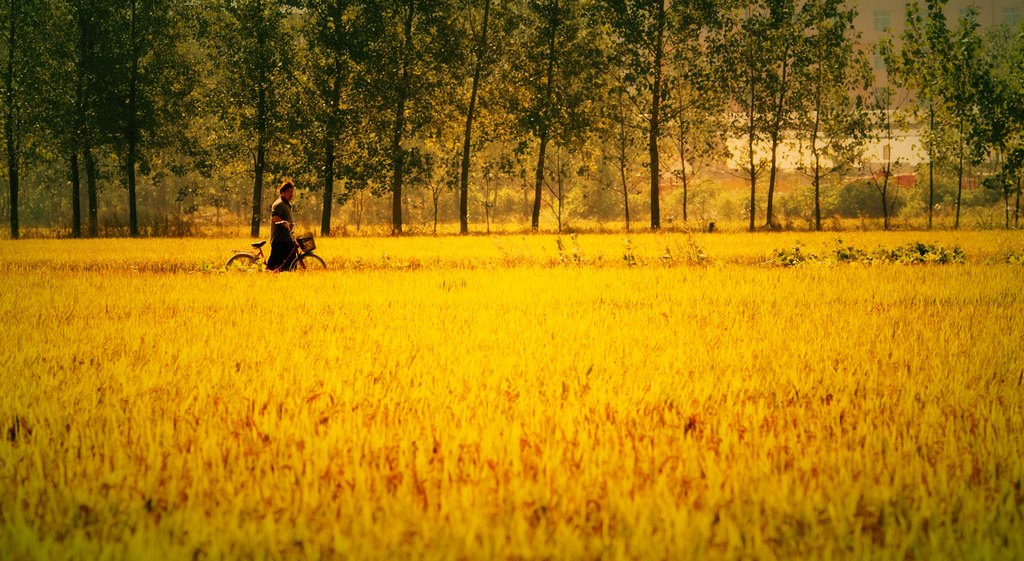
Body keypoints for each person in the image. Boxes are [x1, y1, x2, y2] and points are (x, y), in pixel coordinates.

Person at [267, 180, 298, 271]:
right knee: (274, 265)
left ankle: (288, 278)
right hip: (279, 239)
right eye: (289, 192)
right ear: (282, 192)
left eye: (292, 192)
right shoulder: (279, 204)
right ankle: (265, 276)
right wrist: (285, 223)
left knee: (291, 261)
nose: (291, 194)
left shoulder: (286, 204)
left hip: (286, 238)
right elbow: (275, 217)